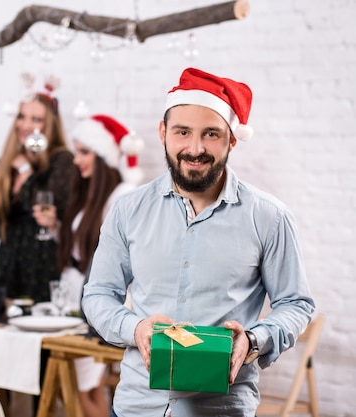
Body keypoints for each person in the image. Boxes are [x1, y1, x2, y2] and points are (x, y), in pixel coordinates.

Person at [81, 67, 315, 417]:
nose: (195, 148)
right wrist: (136, 328)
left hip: (221, 408)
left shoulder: (270, 217)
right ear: (163, 133)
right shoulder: (128, 210)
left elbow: (296, 304)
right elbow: (98, 294)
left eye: (211, 134)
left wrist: (253, 340)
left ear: (232, 139)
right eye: (182, 132)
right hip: (136, 406)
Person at [34, 114, 140, 417]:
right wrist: (56, 228)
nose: (76, 159)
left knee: (83, 386)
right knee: (86, 385)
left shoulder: (120, 196)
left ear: (103, 156)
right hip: (75, 300)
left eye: (84, 152)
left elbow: (116, 255)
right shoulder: (86, 193)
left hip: (95, 305)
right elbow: (83, 250)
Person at [0, 90, 74, 306]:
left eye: (36, 119)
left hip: (41, 266)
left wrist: (26, 169)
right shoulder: (1, 166)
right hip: (7, 267)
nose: (26, 125)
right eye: (21, 116)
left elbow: (42, 208)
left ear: (49, 125)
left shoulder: (62, 161)